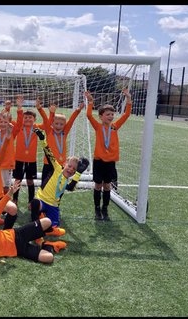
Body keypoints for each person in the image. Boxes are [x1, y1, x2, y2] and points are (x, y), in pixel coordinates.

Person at [85, 88, 132, 221]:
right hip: (99, 162)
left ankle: (105, 208)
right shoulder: (98, 127)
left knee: (107, 186)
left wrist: (128, 98)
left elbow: (126, 115)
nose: (110, 116)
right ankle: (97, 208)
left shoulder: (115, 127)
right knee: (98, 185)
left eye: (112, 114)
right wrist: (90, 101)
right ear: (101, 116)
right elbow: (89, 115)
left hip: (110, 162)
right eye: (107, 114)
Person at [31, 131, 89, 235]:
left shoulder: (71, 179)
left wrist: (79, 173)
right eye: (69, 166)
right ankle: (34, 225)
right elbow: (48, 152)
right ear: (64, 164)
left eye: (74, 169)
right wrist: (42, 139)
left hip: (53, 206)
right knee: (34, 203)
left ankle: (44, 218)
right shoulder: (56, 168)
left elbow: (70, 187)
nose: (71, 170)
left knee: (55, 229)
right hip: (42, 200)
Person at [36, 98, 86, 189]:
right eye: (56, 123)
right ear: (52, 123)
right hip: (48, 163)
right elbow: (44, 118)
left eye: (61, 124)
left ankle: (55, 201)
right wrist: (39, 108)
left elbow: (71, 120)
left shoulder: (65, 132)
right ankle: (41, 202)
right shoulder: (49, 131)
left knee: (59, 186)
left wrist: (78, 110)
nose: (59, 126)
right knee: (44, 185)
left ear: (64, 125)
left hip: (61, 165)